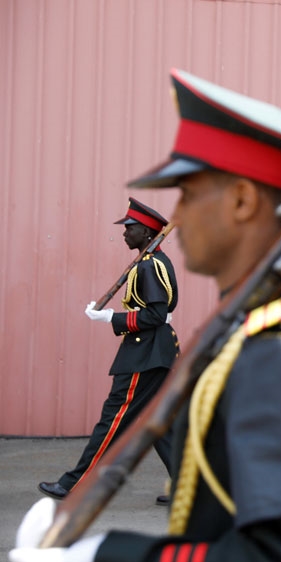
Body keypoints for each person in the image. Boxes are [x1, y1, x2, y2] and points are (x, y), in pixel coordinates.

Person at [12, 68, 281, 562]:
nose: (179, 216)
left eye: (189, 193)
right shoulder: (251, 335)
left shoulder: (276, 355)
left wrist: (104, 555)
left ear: (241, 199)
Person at [38, 197, 178, 507]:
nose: (124, 233)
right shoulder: (148, 262)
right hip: (154, 351)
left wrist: (111, 318)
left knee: (113, 419)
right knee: (159, 423)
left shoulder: (150, 265)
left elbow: (155, 315)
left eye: (129, 228)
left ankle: (74, 483)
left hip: (146, 353)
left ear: (145, 231)